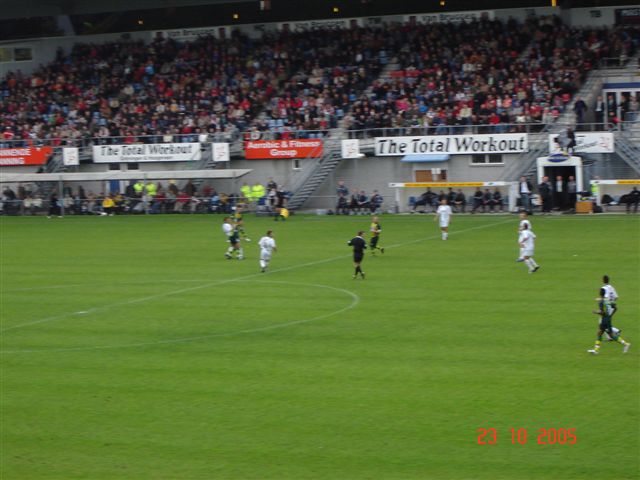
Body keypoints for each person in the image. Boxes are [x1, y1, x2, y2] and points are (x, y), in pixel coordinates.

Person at [587, 289, 630, 355]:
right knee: (606, 334)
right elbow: (615, 308)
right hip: (608, 319)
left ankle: (596, 351)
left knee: (602, 334)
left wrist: (596, 312)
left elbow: (602, 312)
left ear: (599, 293)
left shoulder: (601, 302)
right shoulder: (607, 300)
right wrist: (610, 315)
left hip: (604, 320)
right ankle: (625, 344)